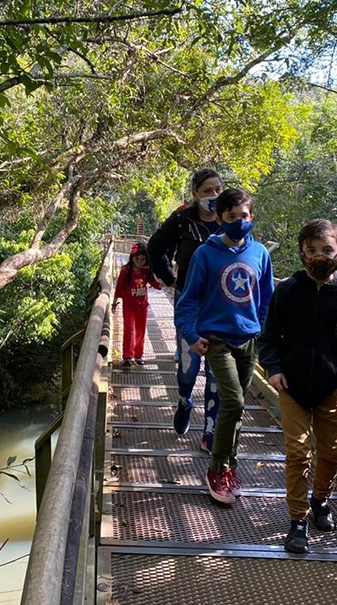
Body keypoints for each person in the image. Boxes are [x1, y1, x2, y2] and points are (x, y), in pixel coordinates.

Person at [257, 219, 337, 553]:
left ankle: (321, 500)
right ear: (302, 254)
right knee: (297, 453)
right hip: (291, 387)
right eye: (311, 251)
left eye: (326, 250)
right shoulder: (288, 290)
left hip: (331, 390)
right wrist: (273, 370)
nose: (319, 257)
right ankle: (298, 522)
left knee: (332, 452)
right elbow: (269, 336)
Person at [175, 188, 274, 505]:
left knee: (238, 406)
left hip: (249, 341)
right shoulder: (206, 254)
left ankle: (229, 466)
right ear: (220, 219)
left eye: (243, 217)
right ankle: (217, 468)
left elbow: (267, 299)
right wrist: (191, 335)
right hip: (217, 340)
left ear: (251, 217)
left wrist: (259, 329)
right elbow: (187, 301)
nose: (238, 222)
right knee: (232, 401)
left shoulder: (260, 254)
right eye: (231, 217)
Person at [148, 169, 223, 452]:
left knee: (216, 371)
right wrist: (170, 280)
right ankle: (184, 400)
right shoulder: (182, 219)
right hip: (189, 303)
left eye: (218, 190)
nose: (214, 196)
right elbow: (155, 248)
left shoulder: (228, 218)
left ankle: (211, 430)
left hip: (220, 307)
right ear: (195, 194)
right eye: (207, 191)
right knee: (189, 368)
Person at [112, 242, 163, 366]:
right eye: (137, 259)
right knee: (129, 329)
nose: (139, 262)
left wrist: (165, 279)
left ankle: (138, 355)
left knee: (140, 331)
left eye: (142, 259)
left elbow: (156, 284)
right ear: (132, 257)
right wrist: (114, 303)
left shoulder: (146, 271)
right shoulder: (125, 270)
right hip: (129, 306)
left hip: (142, 306)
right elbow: (119, 288)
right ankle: (127, 356)